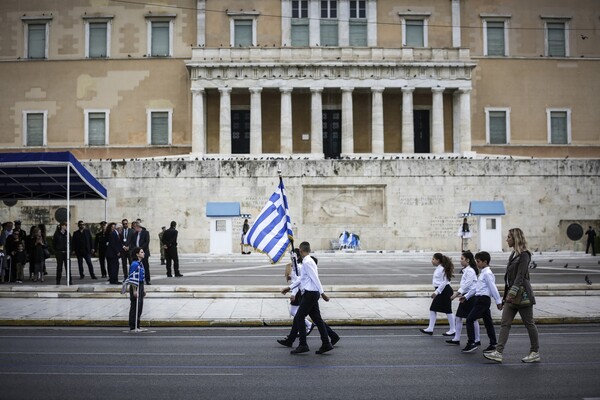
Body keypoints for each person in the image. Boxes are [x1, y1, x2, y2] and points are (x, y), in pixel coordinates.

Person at [484, 228, 540, 364]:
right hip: (511, 296)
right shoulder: (514, 254)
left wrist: (512, 293)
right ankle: (498, 352)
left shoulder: (525, 255)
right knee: (505, 323)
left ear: (515, 238)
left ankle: (535, 352)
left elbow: (520, 276)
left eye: (508, 237)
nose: (506, 239)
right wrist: (505, 297)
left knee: (529, 323)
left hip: (523, 295)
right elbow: (510, 279)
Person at [280, 241, 336, 355]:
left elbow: (315, 278)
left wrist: (322, 293)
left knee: (299, 317)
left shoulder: (307, 262)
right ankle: (326, 343)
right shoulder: (307, 261)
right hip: (311, 293)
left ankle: (303, 344)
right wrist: (289, 287)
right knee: (317, 320)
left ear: (300, 250)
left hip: (310, 293)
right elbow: (302, 279)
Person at [460, 251, 502, 353]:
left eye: (478, 261)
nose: (477, 264)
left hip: (483, 300)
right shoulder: (483, 273)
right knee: (488, 322)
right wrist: (466, 296)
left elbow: (493, 288)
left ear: (485, 262)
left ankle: (472, 343)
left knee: (470, 320)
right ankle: (493, 344)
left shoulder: (487, 273)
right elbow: (476, 288)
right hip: (481, 299)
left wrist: (498, 301)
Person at [447, 251, 480, 346]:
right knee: (459, 317)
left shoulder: (470, 271)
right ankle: (457, 338)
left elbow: (467, 285)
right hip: (466, 296)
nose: (460, 261)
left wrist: (456, 294)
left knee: (472, 319)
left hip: (469, 297)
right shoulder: (467, 270)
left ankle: (476, 339)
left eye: (462, 259)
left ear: (468, 260)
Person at [420, 253, 456, 336]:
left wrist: (436, 292)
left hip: (444, 290)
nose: (432, 261)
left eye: (433, 259)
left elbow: (444, 282)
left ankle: (453, 329)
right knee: (433, 309)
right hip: (441, 290)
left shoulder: (442, 269)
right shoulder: (439, 268)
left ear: (438, 260)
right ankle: (430, 328)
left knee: (447, 310)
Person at [126, 247, 147, 332]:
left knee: (140, 306)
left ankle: (137, 325)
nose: (143, 253)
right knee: (135, 306)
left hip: (140, 285)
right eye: (141, 252)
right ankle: (133, 326)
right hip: (136, 285)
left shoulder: (140, 263)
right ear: (137, 254)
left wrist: (143, 289)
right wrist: (134, 290)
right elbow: (132, 277)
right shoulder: (134, 264)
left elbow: (141, 277)